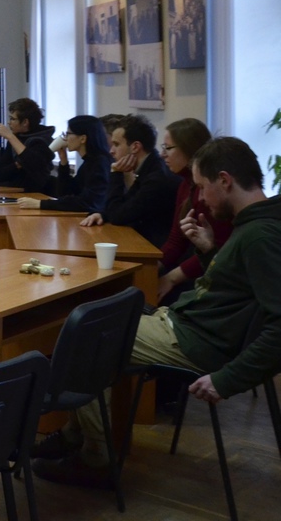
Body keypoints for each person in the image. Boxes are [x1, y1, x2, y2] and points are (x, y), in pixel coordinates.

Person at [33, 136, 281, 489]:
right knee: (97, 320)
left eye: (202, 187)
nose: (201, 199)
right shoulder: (257, 223)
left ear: (225, 180)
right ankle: (77, 435)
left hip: (198, 341)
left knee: (85, 337)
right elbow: (238, 288)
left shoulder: (260, 235)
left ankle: (96, 457)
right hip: (191, 326)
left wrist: (227, 380)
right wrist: (209, 251)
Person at [153, 119, 233, 305]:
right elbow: (175, 241)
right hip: (192, 266)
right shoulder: (184, 185)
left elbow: (218, 249)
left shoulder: (208, 193)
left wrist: (170, 278)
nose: (163, 154)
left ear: (189, 149)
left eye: (168, 148)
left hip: (207, 274)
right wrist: (150, 269)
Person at [79, 115, 182, 247]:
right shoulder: (150, 167)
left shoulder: (156, 178)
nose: (111, 151)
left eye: (116, 144)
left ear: (135, 147)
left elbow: (118, 216)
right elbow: (125, 206)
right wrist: (103, 215)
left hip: (156, 249)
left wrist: (116, 173)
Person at [18, 115, 111, 212]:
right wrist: (64, 161)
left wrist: (41, 204)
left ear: (83, 139)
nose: (65, 138)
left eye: (68, 133)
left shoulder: (99, 163)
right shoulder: (89, 162)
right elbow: (66, 193)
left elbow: (87, 202)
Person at [0, 97, 56, 194]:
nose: (9, 123)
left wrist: (10, 137)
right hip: (13, 191)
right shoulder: (15, 138)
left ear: (25, 122)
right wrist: (18, 164)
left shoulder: (43, 140)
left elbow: (34, 166)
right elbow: (1, 174)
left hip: (37, 194)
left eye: (13, 119)